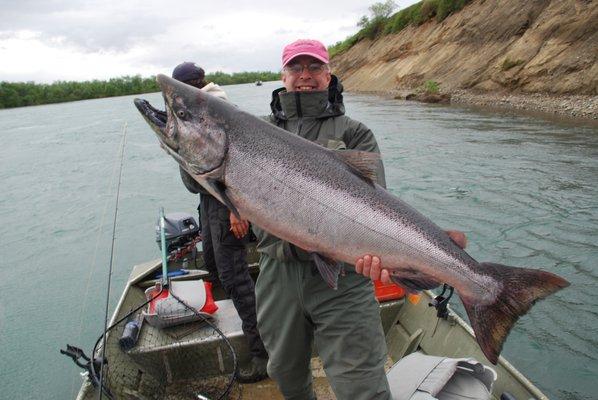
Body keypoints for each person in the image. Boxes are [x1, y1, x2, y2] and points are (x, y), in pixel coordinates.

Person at [252, 40, 467, 400]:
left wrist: (378, 255)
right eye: (296, 68)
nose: (305, 76)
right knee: (285, 372)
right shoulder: (258, 131)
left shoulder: (355, 133)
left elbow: (377, 207)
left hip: (346, 279)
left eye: (314, 67)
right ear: (283, 75)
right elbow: (202, 177)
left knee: (361, 385)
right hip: (277, 274)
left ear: (328, 74)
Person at [172, 62, 269, 383]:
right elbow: (195, 180)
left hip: (228, 206)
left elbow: (243, 168)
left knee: (235, 276)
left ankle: (262, 353)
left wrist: (236, 209)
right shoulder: (193, 115)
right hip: (209, 205)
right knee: (215, 268)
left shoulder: (219, 109)